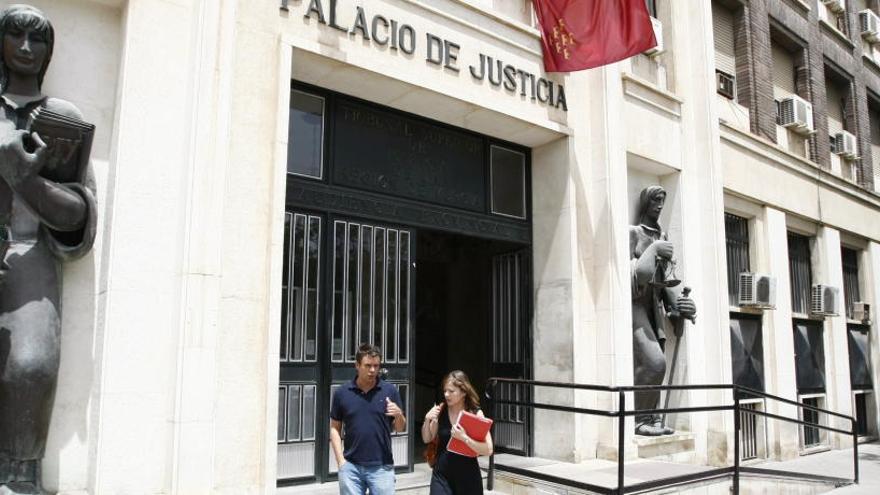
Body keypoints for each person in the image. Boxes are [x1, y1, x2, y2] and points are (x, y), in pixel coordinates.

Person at [0, 5, 97, 494]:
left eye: (36, 40)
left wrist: (26, 182)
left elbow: (79, 213)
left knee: (32, 362)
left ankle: (20, 473)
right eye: (14, 35)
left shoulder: (61, 118)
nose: (24, 47)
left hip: (32, 248)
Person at [630, 186, 695, 436]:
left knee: (656, 366)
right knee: (655, 363)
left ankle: (652, 417)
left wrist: (680, 307)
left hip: (654, 307)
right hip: (635, 305)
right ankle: (639, 420)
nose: (659, 206)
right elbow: (636, 276)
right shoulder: (634, 234)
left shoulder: (663, 235)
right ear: (646, 202)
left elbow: (666, 280)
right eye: (656, 200)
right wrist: (654, 250)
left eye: (663, 202)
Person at [330, 343, 406, 495]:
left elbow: (400, 428)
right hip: (351, 467)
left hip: (382, 467)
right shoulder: (342, 393)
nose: (373, 370)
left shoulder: (390, 391)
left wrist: (398, 415)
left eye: (376, 366)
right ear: (357, 365)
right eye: (368, 365)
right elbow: (334, 428)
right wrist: (341, 462)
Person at [422, 370, 493, 495]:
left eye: (451, 391)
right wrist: (427, 420)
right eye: (445, 391)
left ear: (464, 392)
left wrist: (464, 438)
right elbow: (427, 438)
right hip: (441, 475)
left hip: (468, 478)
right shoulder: (441, 410)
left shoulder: (475, 414)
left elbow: (488, 449)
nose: (446, 395)